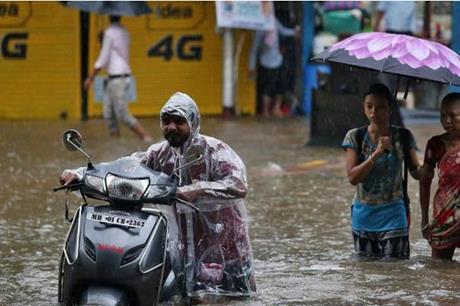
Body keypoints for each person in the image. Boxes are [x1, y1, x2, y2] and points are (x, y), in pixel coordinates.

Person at [59, 92, 256, 299]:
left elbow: (238, 184)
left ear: (193, 123)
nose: (171, 127)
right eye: (166, 121)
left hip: (224, 249)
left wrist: (196, 190)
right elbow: (125, 167)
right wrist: (81, 173)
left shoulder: (215, 150)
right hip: (184, 249)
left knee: (228, 300)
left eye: (179, 121)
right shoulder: (160, 153)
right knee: (187, 299)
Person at [342, 83, 421, 259]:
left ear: (390, 109)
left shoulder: (403, 136)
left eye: (380, 107)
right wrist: (376, 154)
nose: (373, 113)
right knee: (367, 276)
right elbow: (353, 177)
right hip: (363, 217)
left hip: (394, 215)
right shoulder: (355, 136)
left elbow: (416, 171)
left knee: (395, 274)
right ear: (363, 107)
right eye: (369, 107)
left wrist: (431, 166)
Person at [84, 15, 152, 142]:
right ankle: (116, 144)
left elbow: (103, 59)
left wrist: (90, 78)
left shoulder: (110, 33)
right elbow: (114, 55)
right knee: (108, 113)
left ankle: (146, 139)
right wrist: (103, 41)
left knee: (122, 114)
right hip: (116, 78)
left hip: (117, 79)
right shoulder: (124, 32)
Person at [420, 93, 460, 260]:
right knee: (439, 271)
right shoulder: (435, 144)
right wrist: (424, 218)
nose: (447, 121)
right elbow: (425, 182)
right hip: (444, 215)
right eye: (442, 115)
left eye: (452, 115)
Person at [248, 18, 299, 118]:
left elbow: (283, 31)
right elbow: (254, 49)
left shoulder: (274, 21)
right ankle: (265, 111)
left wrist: (294, 32)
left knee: (281, 85)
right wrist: (251, 67)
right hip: (266, 62)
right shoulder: (260, 27)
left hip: (278, 59)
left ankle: (276, 108)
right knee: (268, 87)